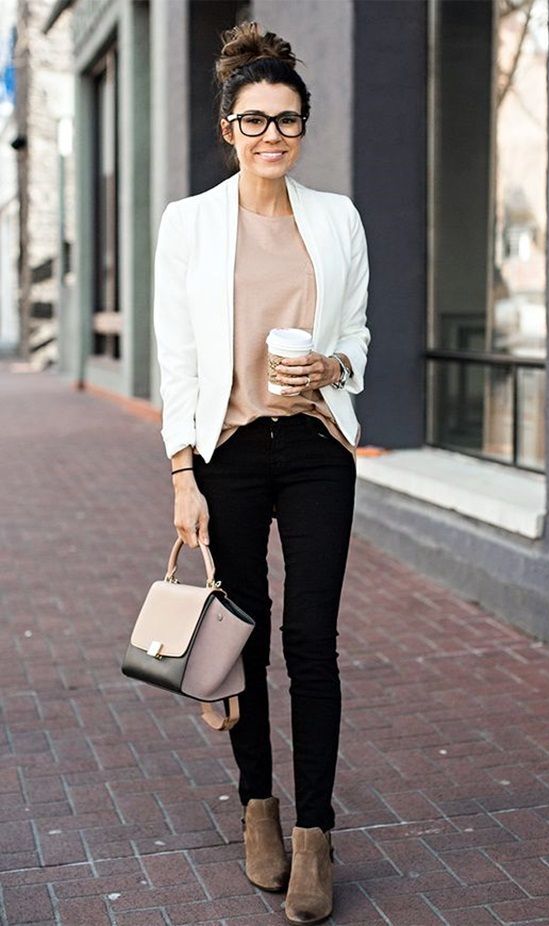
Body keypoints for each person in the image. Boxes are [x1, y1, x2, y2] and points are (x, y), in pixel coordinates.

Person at [152, 21, 370, 925]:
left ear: (305, 126)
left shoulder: (338, 219)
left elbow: (355, 334)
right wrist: (180, 473)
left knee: (310, 644)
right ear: (227, 128)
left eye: (286, 120)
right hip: (230, 453)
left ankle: (315, 834)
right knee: (240, 636)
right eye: (253, 120)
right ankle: (259, 812)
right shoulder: (191, 224)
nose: (271, 134)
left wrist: (331, 368)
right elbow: (177, 358)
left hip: (318, 450)